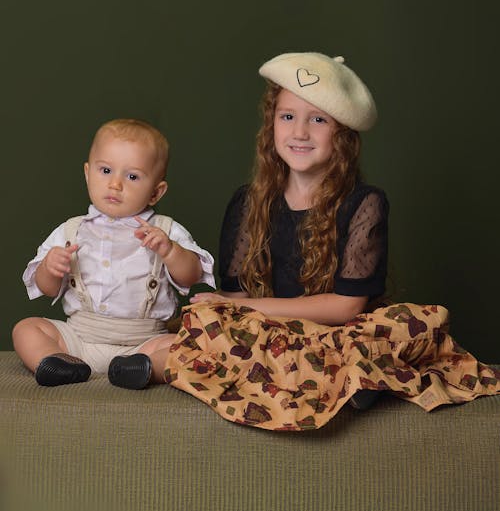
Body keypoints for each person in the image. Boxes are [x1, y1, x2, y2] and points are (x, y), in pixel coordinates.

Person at [160, 52, 499, 430]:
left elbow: (346, 307)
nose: (300, 132)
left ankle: (355, 374)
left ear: (342, 135)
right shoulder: (247, 202)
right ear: (271, 125)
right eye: (288, 117)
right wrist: (224, 305)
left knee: (405, 325)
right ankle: (345, 379)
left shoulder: (364, 203)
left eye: (318, 120)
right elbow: (238, 295)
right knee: (206, 320)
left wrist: (247, 308)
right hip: (268, 333)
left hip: (337, 332)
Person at [14, 118, 215, 388]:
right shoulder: (71, 230)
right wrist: (49, 269)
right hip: (78, 340)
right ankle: (54, 362)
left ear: (156, 192)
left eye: (132, 176)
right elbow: (47, 289)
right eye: (106, 170)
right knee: (27, 329)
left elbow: (190, 276)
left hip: (143, 342)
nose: (115, 184)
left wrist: (170, 251)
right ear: (88, 173)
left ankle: (143, 368)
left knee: (188, 345)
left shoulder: (165, 231)